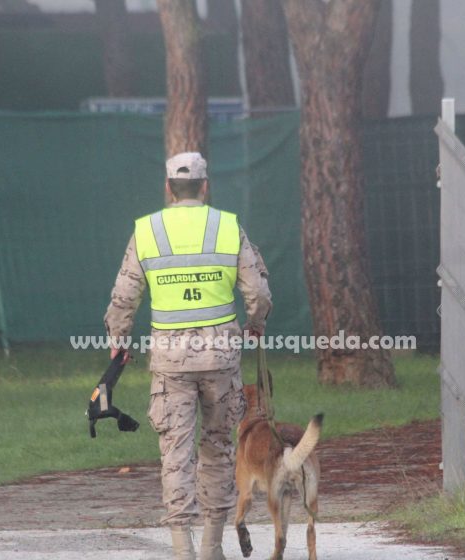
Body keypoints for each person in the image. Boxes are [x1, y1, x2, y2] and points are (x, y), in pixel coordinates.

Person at [103, 152, 271, 560]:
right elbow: (259, 292)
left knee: (175, 454)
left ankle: (183, 549)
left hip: (170, 362)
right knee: (218, 447)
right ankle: (214, 548)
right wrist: (255, 324)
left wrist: (118, 339)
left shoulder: (147, 230)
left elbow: (125, 296)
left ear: (167, 189)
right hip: (220, 358)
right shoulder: (227, 226)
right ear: (205, 186)